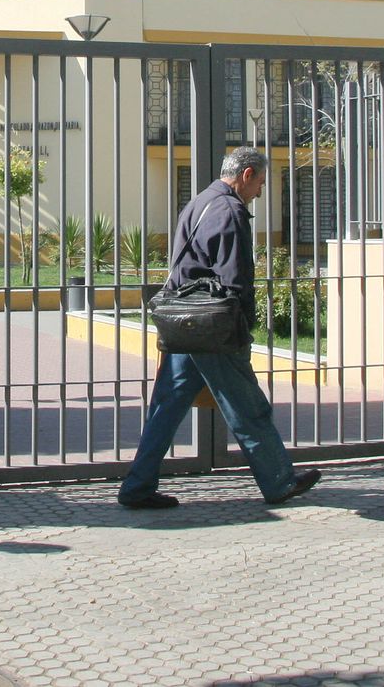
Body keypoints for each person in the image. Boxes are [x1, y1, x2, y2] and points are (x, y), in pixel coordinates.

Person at [117, 146, 321, 510]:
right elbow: (235, 276)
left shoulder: (199, 202)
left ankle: (137, 486)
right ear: (245, 175)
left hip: (185, 324)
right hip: (214, 327)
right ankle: (279, 482)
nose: (260, 190)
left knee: (166, 407)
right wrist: (245, 326)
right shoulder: (230, 210)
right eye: (260, 182)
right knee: (247, 406)